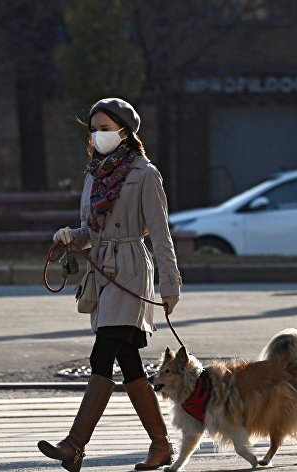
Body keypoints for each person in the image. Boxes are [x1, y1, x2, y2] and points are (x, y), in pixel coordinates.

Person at [37, 97, 182, 472]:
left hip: (131, 271)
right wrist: (73, 235)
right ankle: (161, 445)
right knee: (128, 361)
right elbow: (93, 232)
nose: (98, 135)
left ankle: (74, 445)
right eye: (94, 129)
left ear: (125, 131)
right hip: (101, 273)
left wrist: (170, 283)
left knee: (102, 356)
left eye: (105, 128)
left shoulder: (145, 174)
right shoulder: (94, 174)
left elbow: (161, 234)